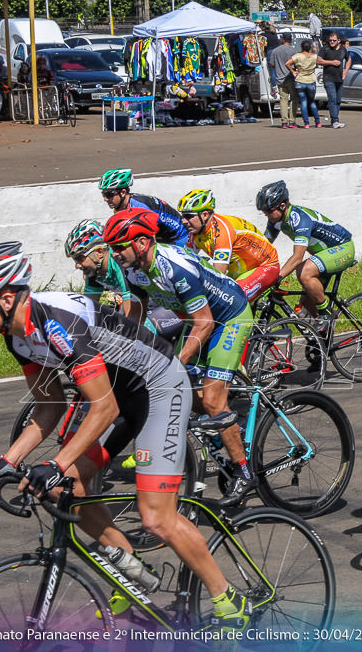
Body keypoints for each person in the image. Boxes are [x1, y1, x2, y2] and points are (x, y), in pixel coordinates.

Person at [0, 242, 251, 628]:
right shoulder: (17, 336)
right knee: (67, 489)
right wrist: (6, 460)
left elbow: (104, 409)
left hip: (160, 388)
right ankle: (133, 576)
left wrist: (56, 462)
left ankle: (229, 599)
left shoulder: (55, 323)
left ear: (7, 297)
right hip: (119, 394)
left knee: (155, 518)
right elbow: (49, 408)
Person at [103, 208, 257, 507]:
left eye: (120, 245)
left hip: (230, 317)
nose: (115, 253)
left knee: (212, 400)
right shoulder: (132, 269)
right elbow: (137, 312)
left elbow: (206, 323)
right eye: (111, 247)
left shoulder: (175, 267)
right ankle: (220, 435)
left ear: (143, 243)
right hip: (197, 319)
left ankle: (243, 471)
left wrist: (174, 363)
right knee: (179, 391)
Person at [257, 180, 354, 322]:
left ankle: (327, 313)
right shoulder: (275, 220)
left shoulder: (299, 219)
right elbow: (263, 247)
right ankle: (320, 340)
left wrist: (277, 277)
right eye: (264, 211)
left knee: (304, 271)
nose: (266, 214)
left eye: (269, 211)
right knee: (305, 307)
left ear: (282, 206)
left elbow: (297, 258)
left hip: (343, 249)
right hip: (323, 256)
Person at [177, 188, 281, 301]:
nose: (183, 221)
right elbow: (184, 261)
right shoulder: (196, 231)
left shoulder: (221, 232)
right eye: (182, 216)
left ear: (205, 215)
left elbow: (217, 275)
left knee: (231, 300)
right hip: (240, 271)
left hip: (265, 267)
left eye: (188, 216)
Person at [98, 168, 189, 246]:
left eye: (109, 194)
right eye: (103, 194)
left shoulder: (140, 206)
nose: (105, 199)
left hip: (178, 236)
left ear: (123, 192)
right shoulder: (119, 206)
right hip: (163, 235)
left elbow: (150, 239)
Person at [317, 32, 350, 129]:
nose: (331, 42)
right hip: (328, 79)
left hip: (339, 79)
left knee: (338, 100)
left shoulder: (343, 49)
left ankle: (334, 120)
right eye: (330, 40)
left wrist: (346, 71)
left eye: (334, 40)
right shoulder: (325, 49)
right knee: (332, 99)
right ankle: (335, 120)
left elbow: (349, 59)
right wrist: (331, 62)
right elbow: (318, 60)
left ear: (338, 41)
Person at [286, 40, 320, 128]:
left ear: (302, 47)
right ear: (310, 48)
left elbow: (287, 63)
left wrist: (293, 71)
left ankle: (306, 123)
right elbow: (321, 62)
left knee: (303, 102)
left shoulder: (297, 56)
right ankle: (318, 122)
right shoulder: (314, 56)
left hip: (300, 80)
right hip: (311, 80)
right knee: (312, 102)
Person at [268, 33, 299, 129]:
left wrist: (279, 64)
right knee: (294, 99)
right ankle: (292, 121)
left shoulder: (275, 51)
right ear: (290, 39)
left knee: (283, 100)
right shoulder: (294, 50)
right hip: (291, 77)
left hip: (280, 78)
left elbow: (272, 64)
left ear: (282, 39)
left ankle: (284, 122)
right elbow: (297, 64)